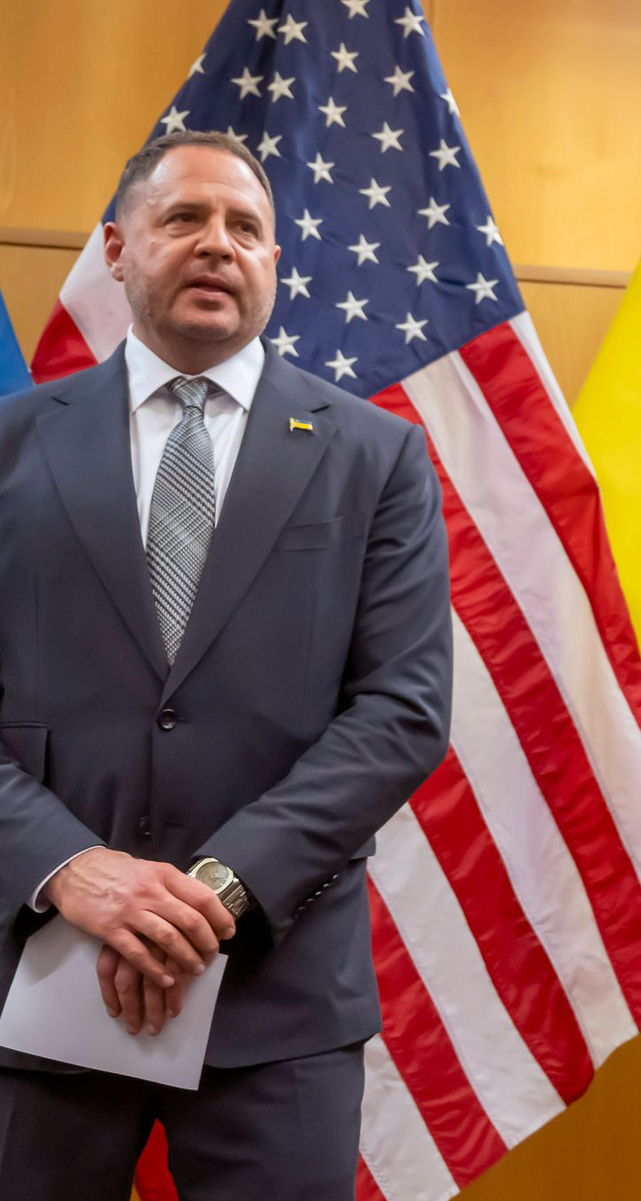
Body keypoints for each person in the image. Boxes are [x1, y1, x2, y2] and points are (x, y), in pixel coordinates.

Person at [0, 130, 452, 1198]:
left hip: (276, 999)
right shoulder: (10, 447)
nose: (218, 244)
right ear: (118, 249)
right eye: (184, 219)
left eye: (246, 227)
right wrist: (72, 869)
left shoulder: (377, 456)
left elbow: (402, 710)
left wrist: (218, 891)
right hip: (36, 980)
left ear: (275, 263)